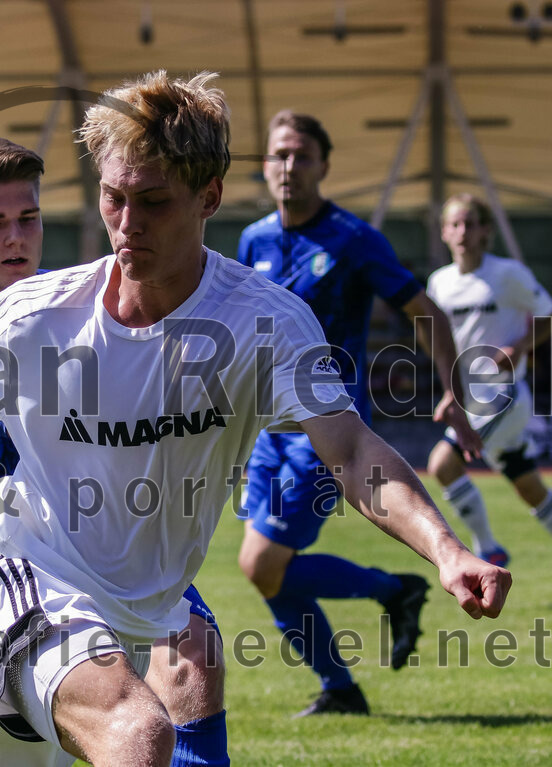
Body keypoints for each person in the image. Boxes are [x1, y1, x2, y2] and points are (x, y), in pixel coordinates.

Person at [0, 72, 509, 767]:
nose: (127, 226)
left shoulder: (265, 323)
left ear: (209, 196)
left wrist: (443, 548)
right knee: (137, 730)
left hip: (135, 608)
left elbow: (352, 448)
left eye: (153, 203)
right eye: (113, 200)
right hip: (20, 585)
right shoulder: (30, 318)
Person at [0, 134, 223, 767]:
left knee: (193, 663)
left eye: (28, 218)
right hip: (21, 568)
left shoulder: (87, 311)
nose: (16, 238)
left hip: (118, 553)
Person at [235, 110, 487, 717]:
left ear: (324, 165)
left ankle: (393, 590)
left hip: (326, 429)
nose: (288, 167)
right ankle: (344, 683)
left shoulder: (353, 238)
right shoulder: (253, 239)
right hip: (270, 430)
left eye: (300, 155)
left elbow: (426, 311)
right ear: (265, 165)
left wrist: (452, 389)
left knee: (264, 564)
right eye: (278, 156)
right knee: (262, 570)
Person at [426, 193, 552, 565]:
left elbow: (548, 314)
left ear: (485, 230)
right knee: (528, 486)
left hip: (504, 395)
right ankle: (489, 548)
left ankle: (487, 550)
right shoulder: (439, 283)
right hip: (468, 399)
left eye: (470, 223)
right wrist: (450, 391)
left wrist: (521, 347)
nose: (463, 231)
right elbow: (438, 341)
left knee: (442, 465)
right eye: (455, 224)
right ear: (444, 232)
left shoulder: (508, 274)